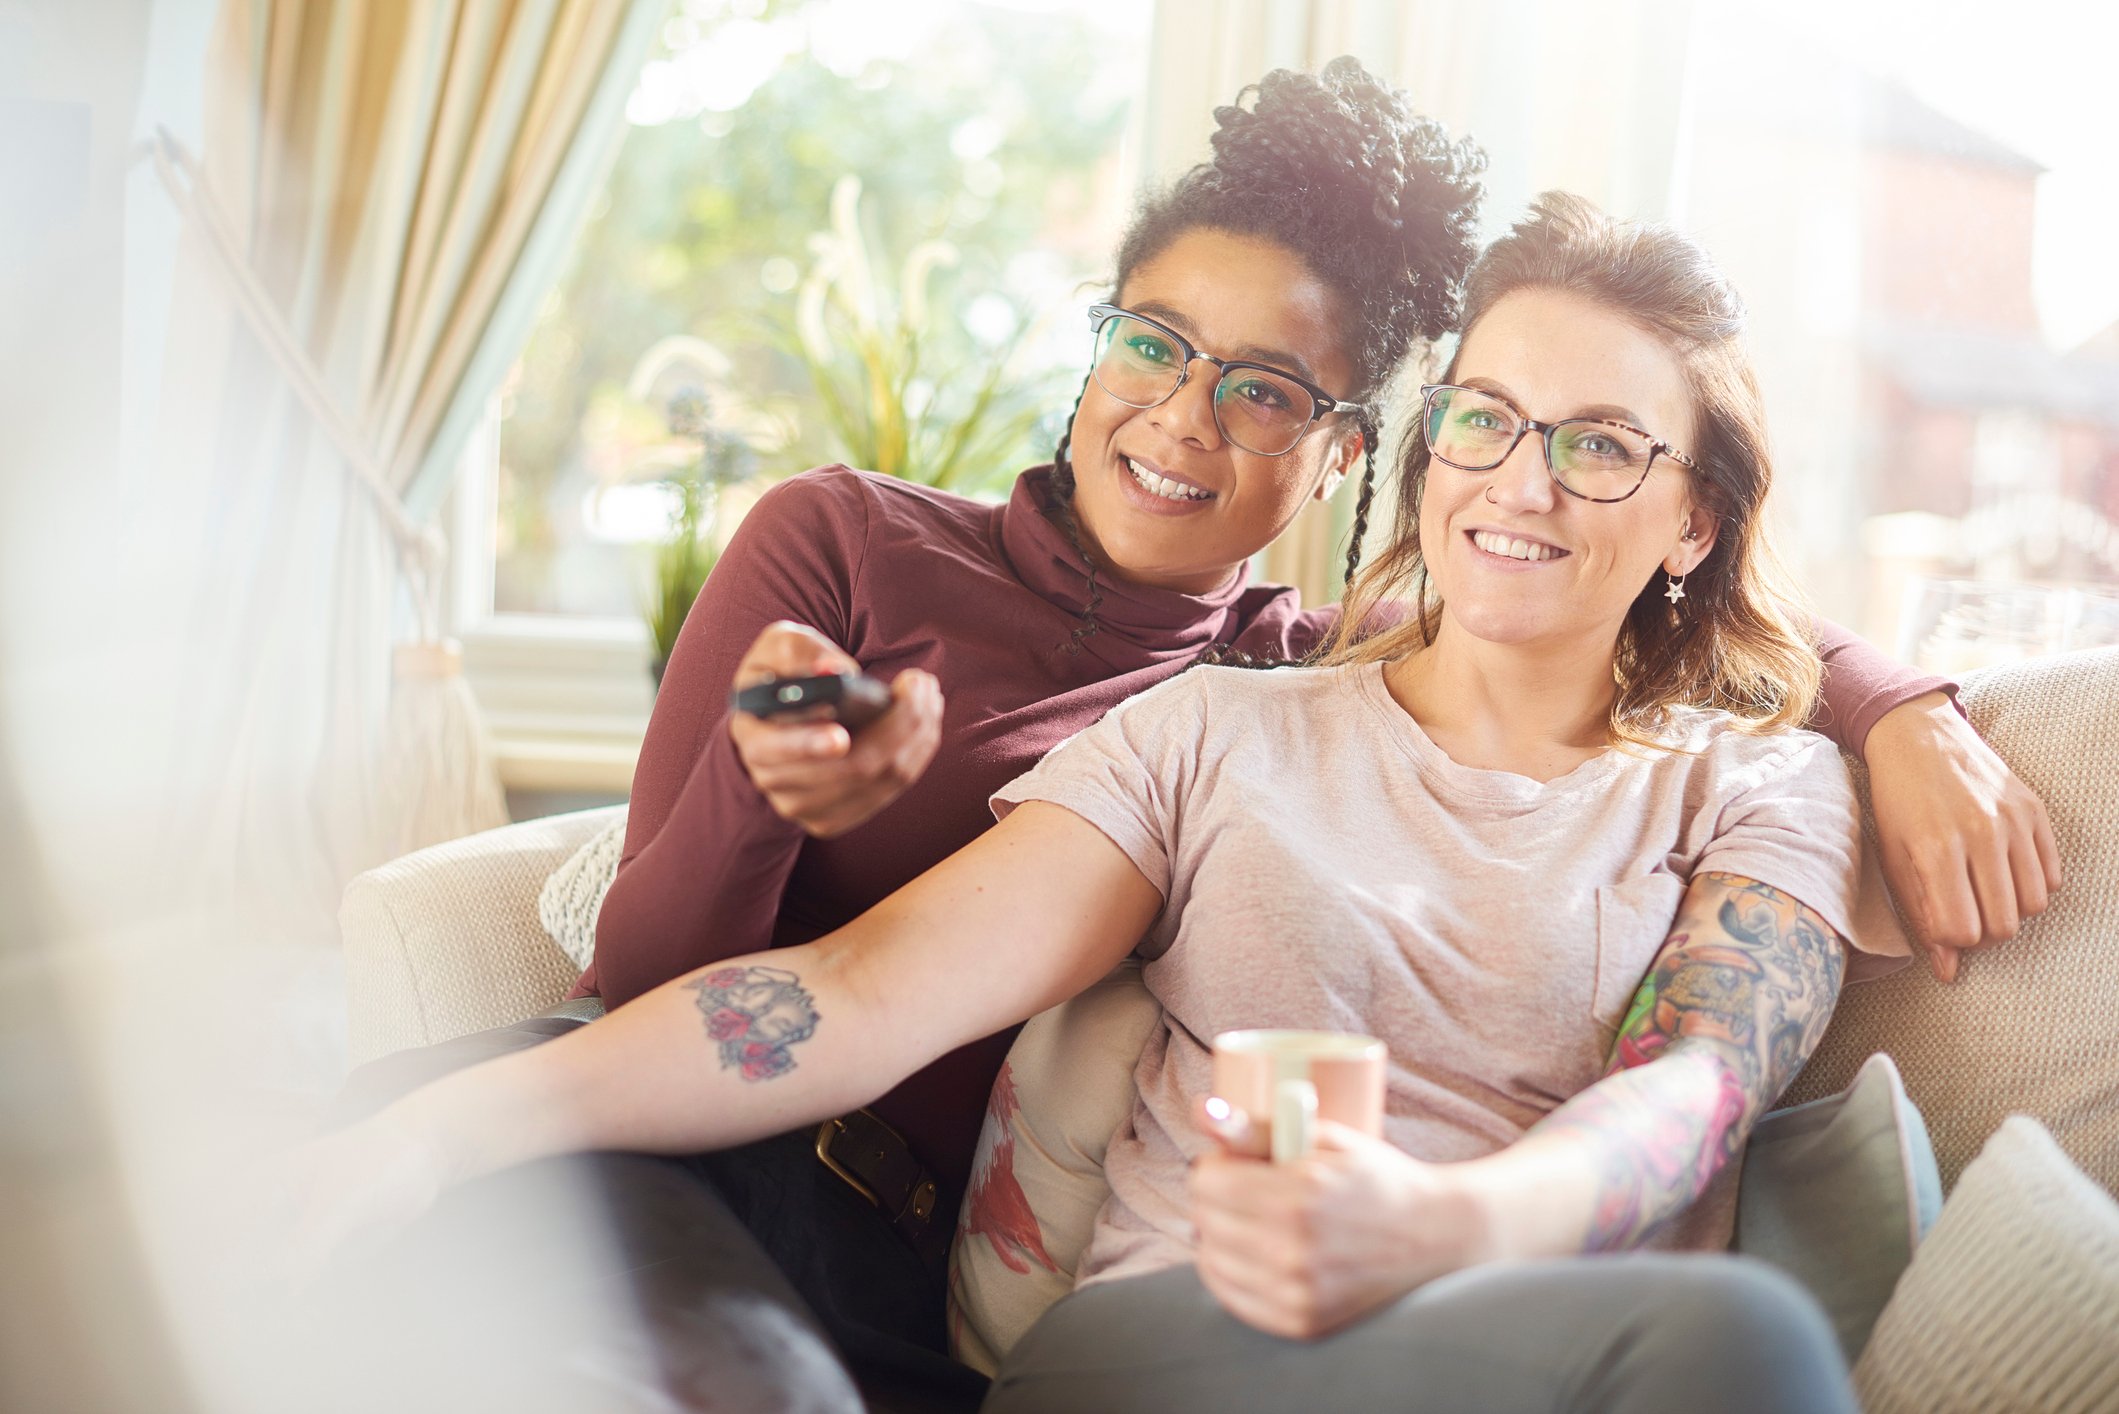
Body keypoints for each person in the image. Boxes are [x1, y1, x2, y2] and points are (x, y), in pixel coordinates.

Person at [326, 59, 2055, 1414]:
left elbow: (1696, 1080)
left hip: (1428, 1298)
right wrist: (458, 1111)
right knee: (1731, 1349)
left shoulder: (1691, 761)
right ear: (1434, 452)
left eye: (1604, 443)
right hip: (1027, 1274)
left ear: (1336, 450)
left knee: (1712, 1332)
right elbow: (843, 994)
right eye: (1494, 421)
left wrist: (1894, 702)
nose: (1526, 477)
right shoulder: (1180, 710)